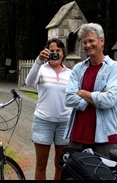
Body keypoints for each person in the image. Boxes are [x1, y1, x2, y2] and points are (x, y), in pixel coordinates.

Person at [64, 23, 117, 157]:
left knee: (104, 175)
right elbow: (68, 98)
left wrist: (82, 92)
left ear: (101, 41)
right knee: (75, 176)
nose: (87, 45)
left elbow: (109, 99)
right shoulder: (78, 69)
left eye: (91, 40)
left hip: (105, 137)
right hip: (78, 135)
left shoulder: (115, 68)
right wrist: (97, 98)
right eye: (85, 42)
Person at [25, 38, 72, 180]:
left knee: (61, 163)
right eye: (52, 51)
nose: (55, 53)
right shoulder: (41, 69)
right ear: (47, 53)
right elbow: (28, 82)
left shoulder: (70, 73)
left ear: (63, 53)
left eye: (58, 50)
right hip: (43, 121)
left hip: (64, 123)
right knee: (41, 164)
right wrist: (39, 61)